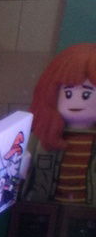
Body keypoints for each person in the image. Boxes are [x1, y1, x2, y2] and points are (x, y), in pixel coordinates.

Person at [24, 43, 96, 206]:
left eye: (86, 94)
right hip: (45, 213)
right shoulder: (40, 139)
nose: (76, 101)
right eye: (68, 93)